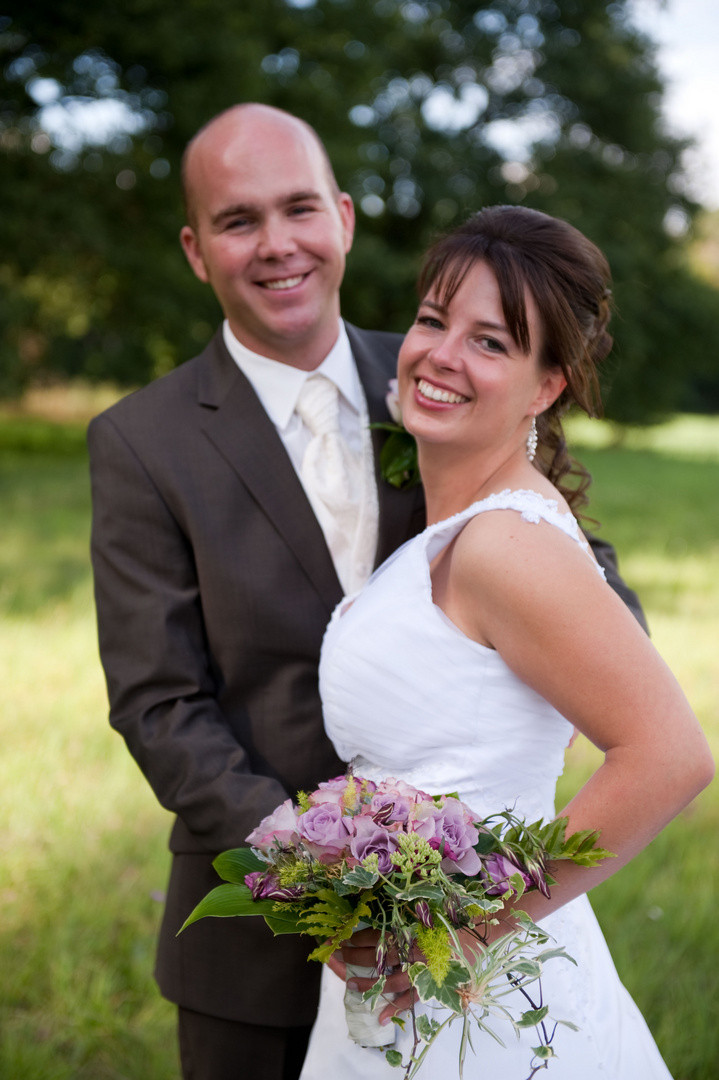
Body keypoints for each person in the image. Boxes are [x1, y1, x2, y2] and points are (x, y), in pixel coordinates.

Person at [88, 103, 641, 1080]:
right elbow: (159, 705)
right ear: (194, 249)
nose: (276, 245)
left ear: (341, 218)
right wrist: (328, 881)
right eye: (237, 220)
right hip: (251, 948)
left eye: (298, 208)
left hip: (471, 927)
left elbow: (593, 600)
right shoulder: (143, 443)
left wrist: (469, 866)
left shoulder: (444, 369)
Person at [298, 206, 714, 1079]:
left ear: (546, 385)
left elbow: (669, 755)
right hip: (410, 973)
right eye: (432, 319)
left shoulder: (502, 545)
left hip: (478, 997)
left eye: (491, 342)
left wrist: (462, 927)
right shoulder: (460, 528)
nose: (441, 355)